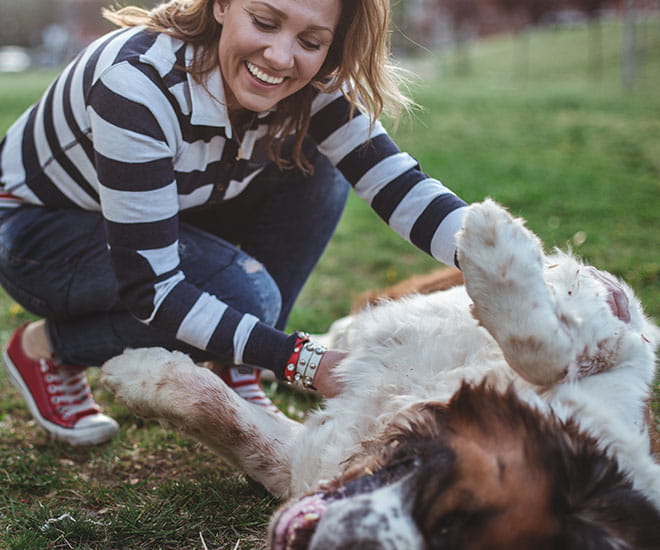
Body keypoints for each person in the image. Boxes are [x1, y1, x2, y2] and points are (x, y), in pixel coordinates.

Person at [0, 0, 468, 446]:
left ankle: (237, 366)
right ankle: (47, 348)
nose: (281, 56)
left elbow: (397, 184)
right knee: (247, 296)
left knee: (318, 158)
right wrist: (301, 361)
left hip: (171, 208)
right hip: (34, 234)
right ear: (221, 5)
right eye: (264, 22)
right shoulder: (136, 85)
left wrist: (501, 255)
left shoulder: (313, 81)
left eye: (311, 40)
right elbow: (153, 290)